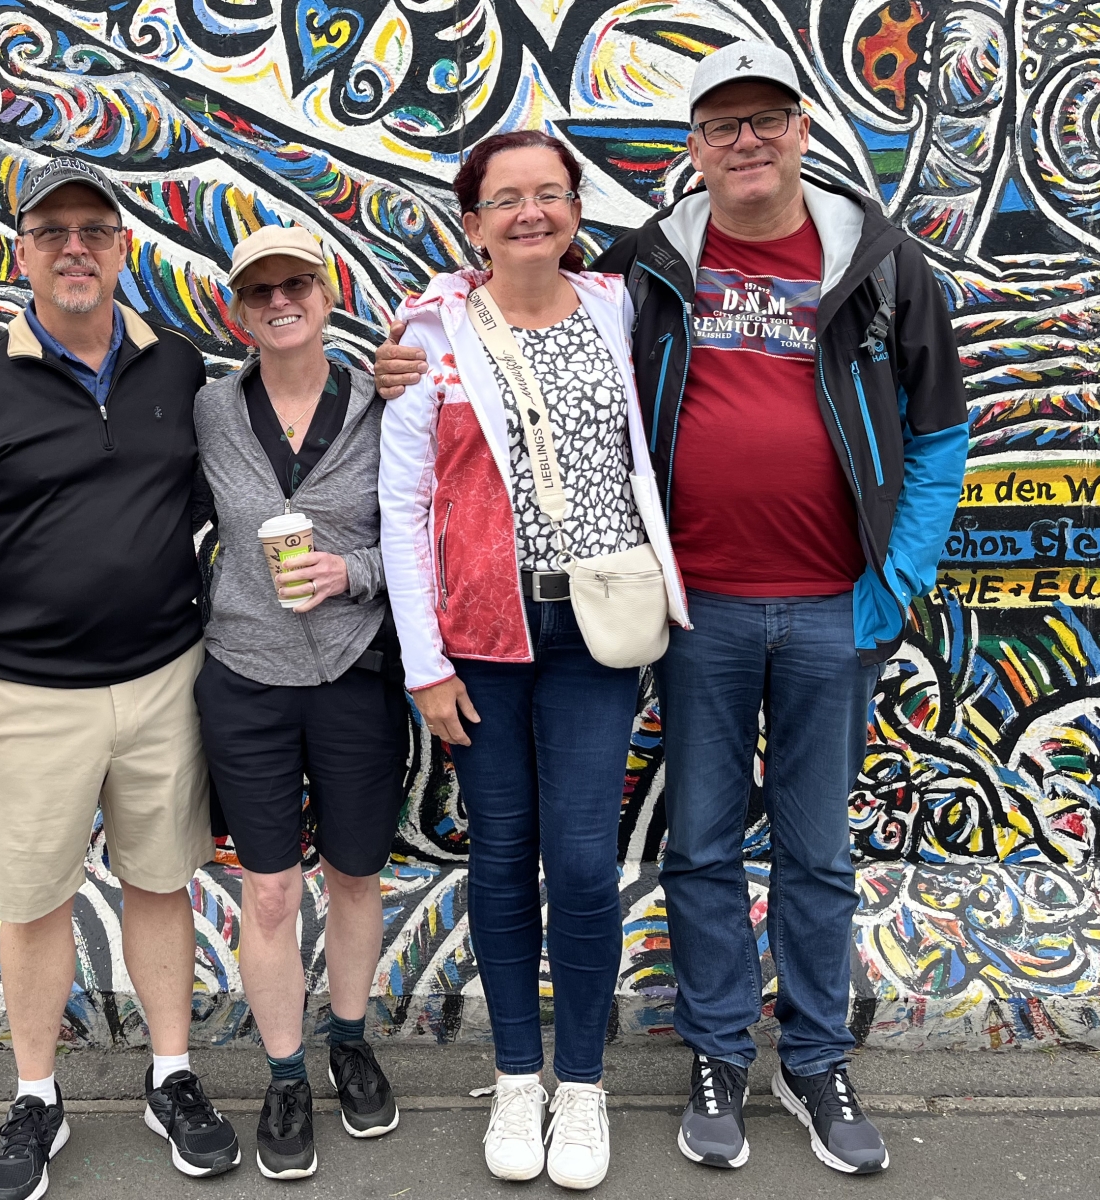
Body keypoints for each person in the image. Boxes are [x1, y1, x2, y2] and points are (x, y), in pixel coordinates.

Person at [374, 43, 969, 1178]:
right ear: (692, 151)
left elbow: (938, 432)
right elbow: (423, 465)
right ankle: (686, 1061)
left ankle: (808, 1061)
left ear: (803, 129)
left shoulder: (862, 265)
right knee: (682, 846)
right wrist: (423, 326)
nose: (747, 141)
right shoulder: (598, 283)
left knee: (809, 850)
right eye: (721, 126)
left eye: (767, 120)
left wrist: (898, 579)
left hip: (794, 610)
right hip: (652, 619)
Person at [0, 157, 240, 1200]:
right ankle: (36, 1096)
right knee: (34, 901)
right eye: (53, 233)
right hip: (26, 697)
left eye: (94, 229)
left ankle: (170, 1076)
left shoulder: (174, 366)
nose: (75, 248)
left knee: (161, 880)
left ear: (123, 247)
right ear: (23, 253)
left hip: (161, 682)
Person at [378, 130, 687, 1190]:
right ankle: (518, 1077)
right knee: (505, 858)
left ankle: (583, 1086)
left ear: (574, 210)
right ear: (473, 223)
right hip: (484, 641)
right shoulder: (434, 330)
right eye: (506, 199)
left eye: (549, 195)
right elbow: (402, 508)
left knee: (587, 863)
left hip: (596, 635)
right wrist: (425, 665)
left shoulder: (619, 308)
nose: (530, 214)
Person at [192, 224, 404, 1180]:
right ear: (240, 311)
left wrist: (349, 572)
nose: (281, 301)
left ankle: (350, 1041)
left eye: (298, 285)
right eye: (260, 291)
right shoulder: (208, 410)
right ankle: (285, 1074)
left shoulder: (382, 401)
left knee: (356, 874)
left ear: (328, 293)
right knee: (269, 889)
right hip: (245, 672)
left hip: (357, 669)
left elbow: (419, 533)